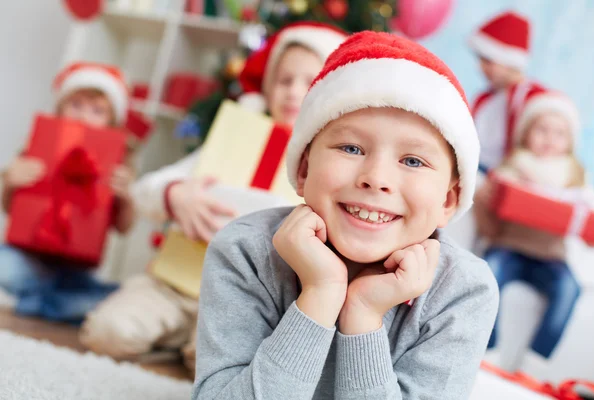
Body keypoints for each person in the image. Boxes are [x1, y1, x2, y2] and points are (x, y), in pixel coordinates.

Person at [192, 31, 499, 399]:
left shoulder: (464, 290)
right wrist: (320, 295)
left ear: (448, 201)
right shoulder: (244, 250)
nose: (376, 179)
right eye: (351, 147)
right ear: (303, 171)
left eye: (413, 161)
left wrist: (364, 315)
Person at [79, 22, 347, 372]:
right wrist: (175, 195)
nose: (294, 92)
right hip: (173, 284)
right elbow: (148, 187)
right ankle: (170, 338)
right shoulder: (234, 136)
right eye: (284, 81)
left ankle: (183, 346)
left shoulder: (330, 167)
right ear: (267, 87)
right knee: (107, 334)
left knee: (214, 367)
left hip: (243, 305)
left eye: (308, 83)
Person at [0, 62, 135, 323]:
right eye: (76, 105)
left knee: (116, 298)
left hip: (76, 268)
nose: (84, 116)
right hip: (29, 258)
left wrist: (126, 198)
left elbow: (123, 227)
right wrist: (9, 181)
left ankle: (38, 302)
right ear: (59, 108)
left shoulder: (118, 166)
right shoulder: (35, 149)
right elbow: (8, 208)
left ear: (112, 121)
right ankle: (61, 305)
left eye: (97, 111)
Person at [474, 90, 587, 376]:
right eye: (542, 129)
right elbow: (488, 221)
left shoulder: (576, 179)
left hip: (550, 257)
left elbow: (588, 225)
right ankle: (490, 351)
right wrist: (488, 199)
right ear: (526, 133)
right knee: (490, 273)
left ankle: (535, 363)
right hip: (509, 248)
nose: (550, 139)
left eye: (559, 133)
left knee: (569, 288)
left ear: (570, 141)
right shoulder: (511, 168)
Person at [469, 11, 545, 174]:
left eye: (488, 61)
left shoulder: (535, 100)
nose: (480, 68)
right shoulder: (484, 98)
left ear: (509, 61)